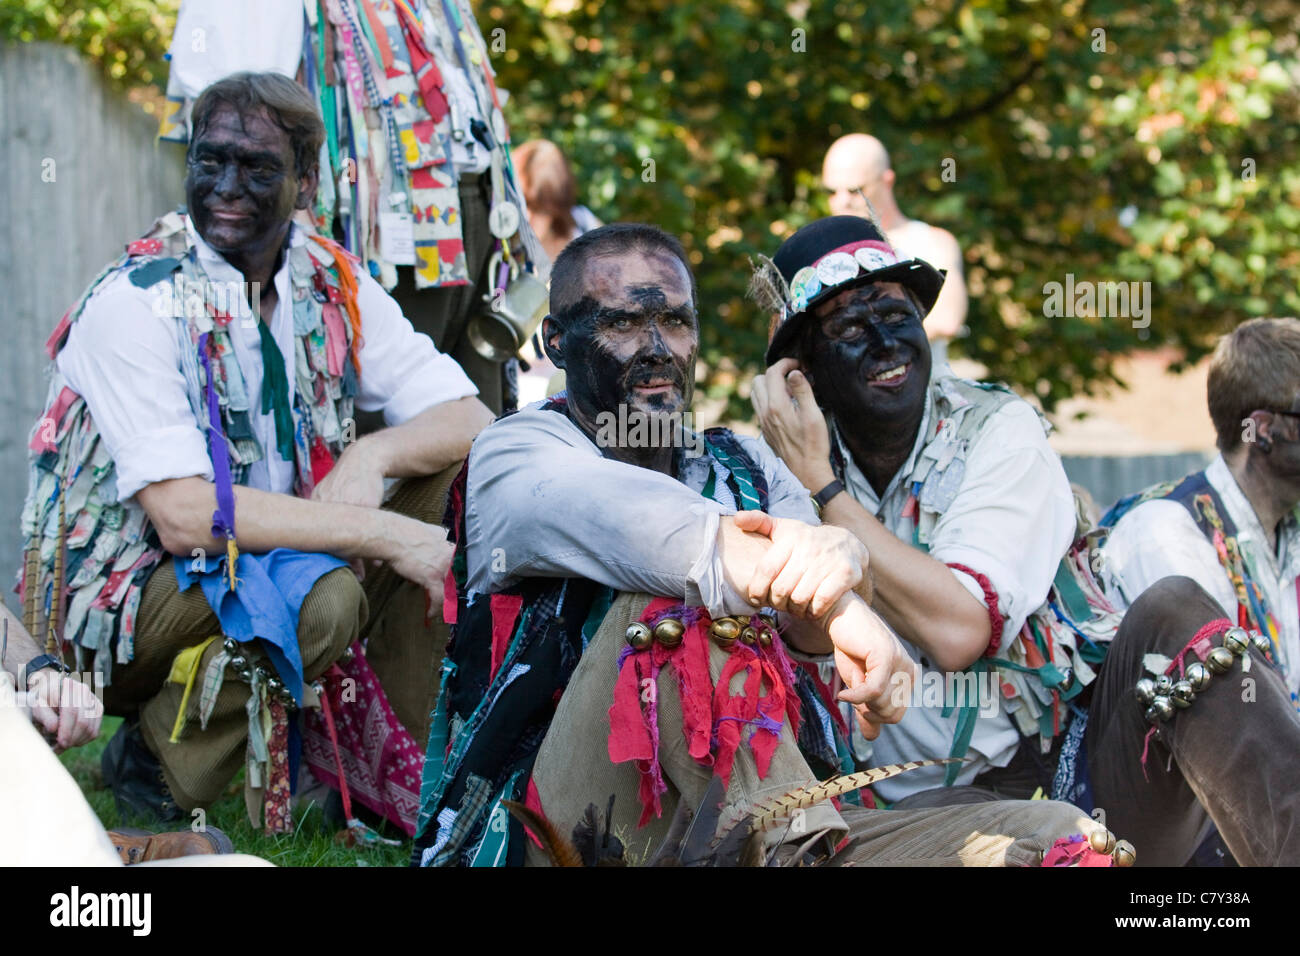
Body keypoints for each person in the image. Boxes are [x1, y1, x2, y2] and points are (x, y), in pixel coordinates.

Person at [412, 221, 1116, 868]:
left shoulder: (748, 467)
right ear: (555, 344)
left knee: (1055, 837)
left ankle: (802, 849)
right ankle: (796, 851)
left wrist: (835, 587)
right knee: (672, 605)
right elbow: (661, 534)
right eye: (624, 322)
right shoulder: (517, 452)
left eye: (677, 323)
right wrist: (846, 601)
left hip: (763, 824)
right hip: (576, 834)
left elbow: (807, 641)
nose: (658, 349)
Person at [20, 72, 491, 832]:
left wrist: (368, 462)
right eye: (211, 161)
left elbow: (470, 416)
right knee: (324, 594)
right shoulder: (135, 300)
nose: (227, 188)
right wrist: (378, 532)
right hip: (125, 607)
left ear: (306, 182)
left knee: (461, 484)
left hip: (276, 551)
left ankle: (385, 768)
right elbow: (181, 518)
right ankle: (157, 757)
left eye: (258, 168)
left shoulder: (328, 279)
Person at [752, 215, 1300, 866]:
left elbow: (960, 628)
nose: (883, 341)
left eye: (896, 313)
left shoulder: (998, 431)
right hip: (888, 822)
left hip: (1066, 778)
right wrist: (810, 479)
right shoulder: (768, 478)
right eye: (847, 325)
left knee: (1173, 611)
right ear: (802, 370)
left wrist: (823, 489)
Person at [160, 0, 543, 414]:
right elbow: (231, 109)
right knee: (378, 412)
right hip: (373, 227)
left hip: (475, 216)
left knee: (473, 413)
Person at [822, 133, 967, 368]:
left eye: (854, 190)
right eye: (831, 191)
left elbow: (946, 321)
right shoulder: (823, 255)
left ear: (887, 181)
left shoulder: (933, 242)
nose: (841, 201)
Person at [511, 139, 603, 404]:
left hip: (574, 382)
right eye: (523, 206)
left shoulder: (586, 232)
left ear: (555, 205)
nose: (528, 218)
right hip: (518, 381)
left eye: (537, 208)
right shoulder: (506, 244)